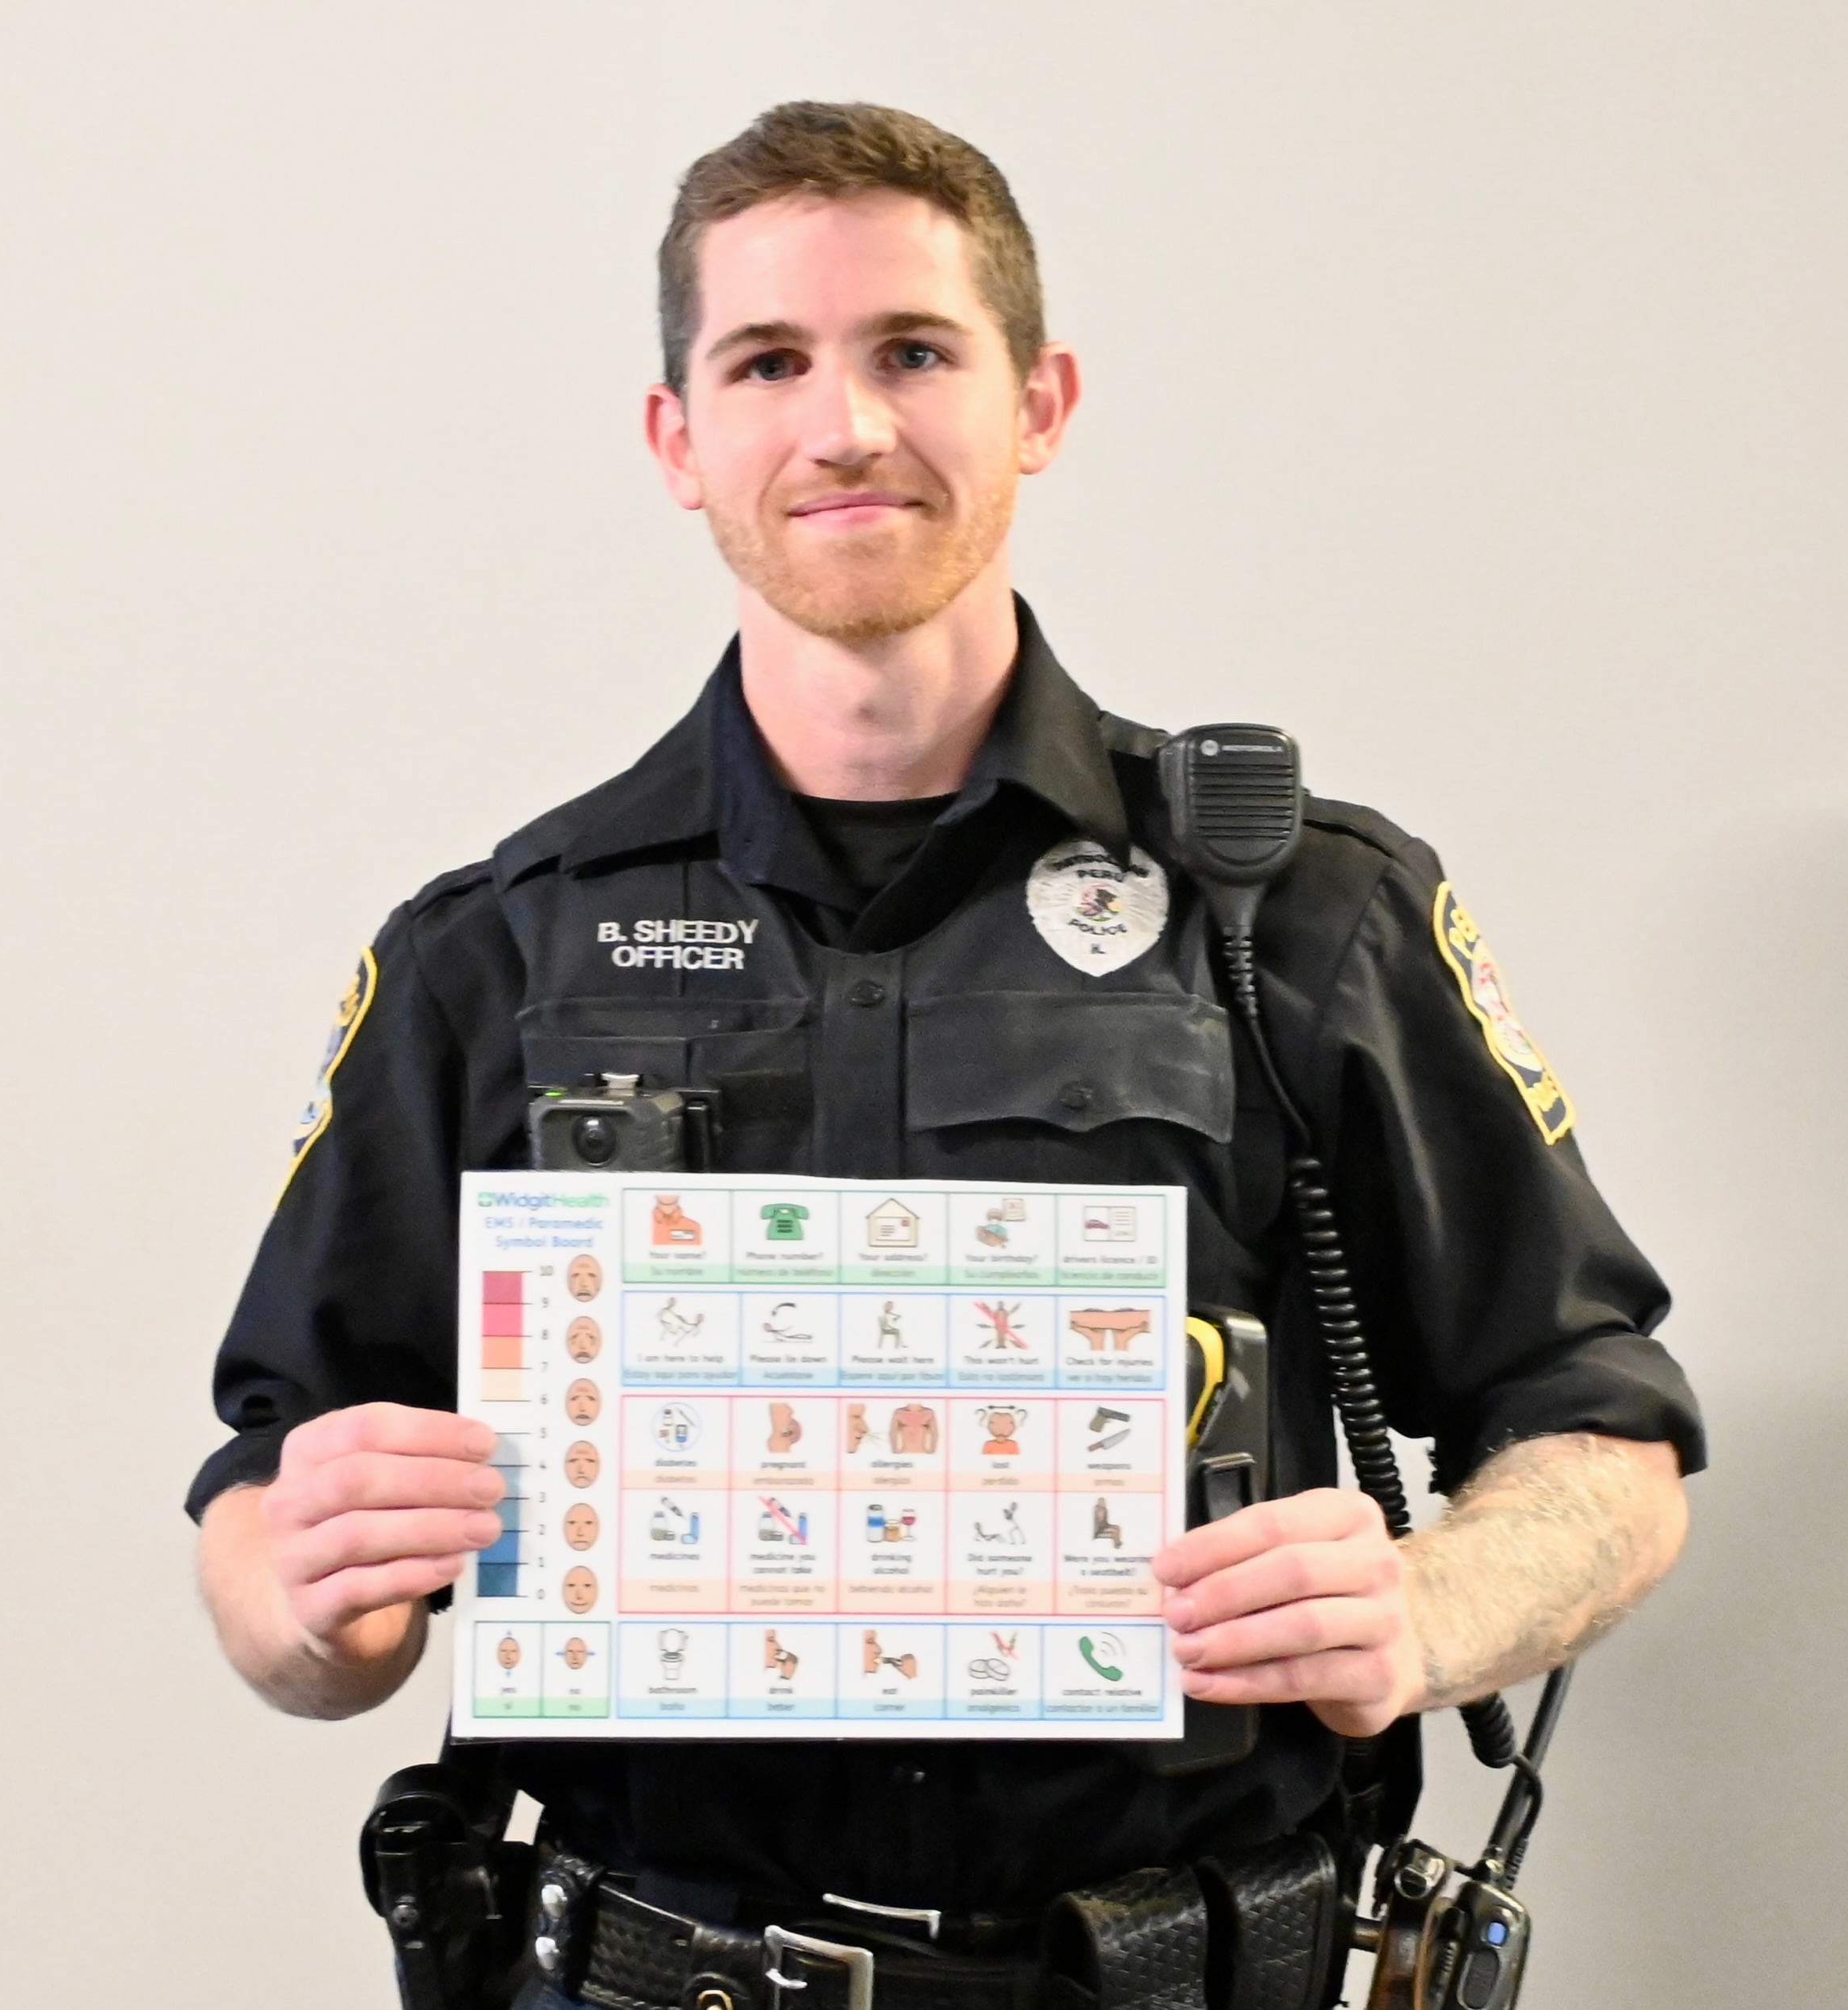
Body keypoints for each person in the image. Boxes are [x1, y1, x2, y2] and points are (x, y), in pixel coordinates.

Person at [190, 99, 1703, 2001]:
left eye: (913, 351)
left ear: (1038, 403)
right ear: (680, 439)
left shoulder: (1299, 913)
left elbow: (1601, 1425)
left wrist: (1421, 1606)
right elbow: (268, 1506)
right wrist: (309, 1600)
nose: (845, 426)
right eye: (767, 362)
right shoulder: (493, 950)